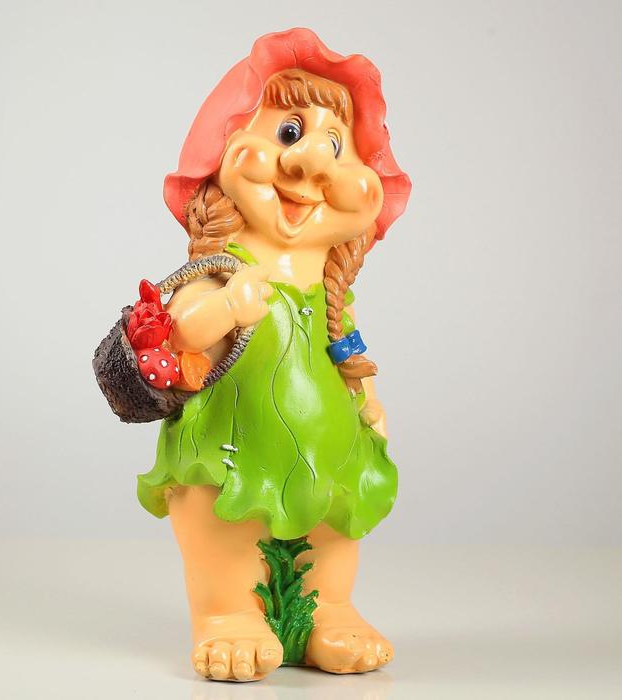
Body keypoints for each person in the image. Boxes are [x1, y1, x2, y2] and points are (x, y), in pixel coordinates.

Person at [137, 27, 411, 681]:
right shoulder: (220, 267)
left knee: (334, 521)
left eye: (336, 146)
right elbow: (184, 327)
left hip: (325, 443)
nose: (312, 163)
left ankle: (329, 609)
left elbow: (346, 345)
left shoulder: (329, 287)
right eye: (289, 133)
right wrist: (227, 308)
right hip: (231, 438)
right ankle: (227, 614)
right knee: (223, 517)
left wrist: (367, 399)